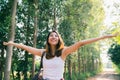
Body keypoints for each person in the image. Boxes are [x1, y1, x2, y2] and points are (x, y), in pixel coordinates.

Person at [3, 30, 119, 80]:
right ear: (48, 40)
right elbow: (26, 47)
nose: (53, 37)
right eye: (51, 36)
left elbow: (80, 43)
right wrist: (12, 43)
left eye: (56, 35)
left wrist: (104, 37)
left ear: (59, 39)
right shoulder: (43, 52)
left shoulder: (64, 52)